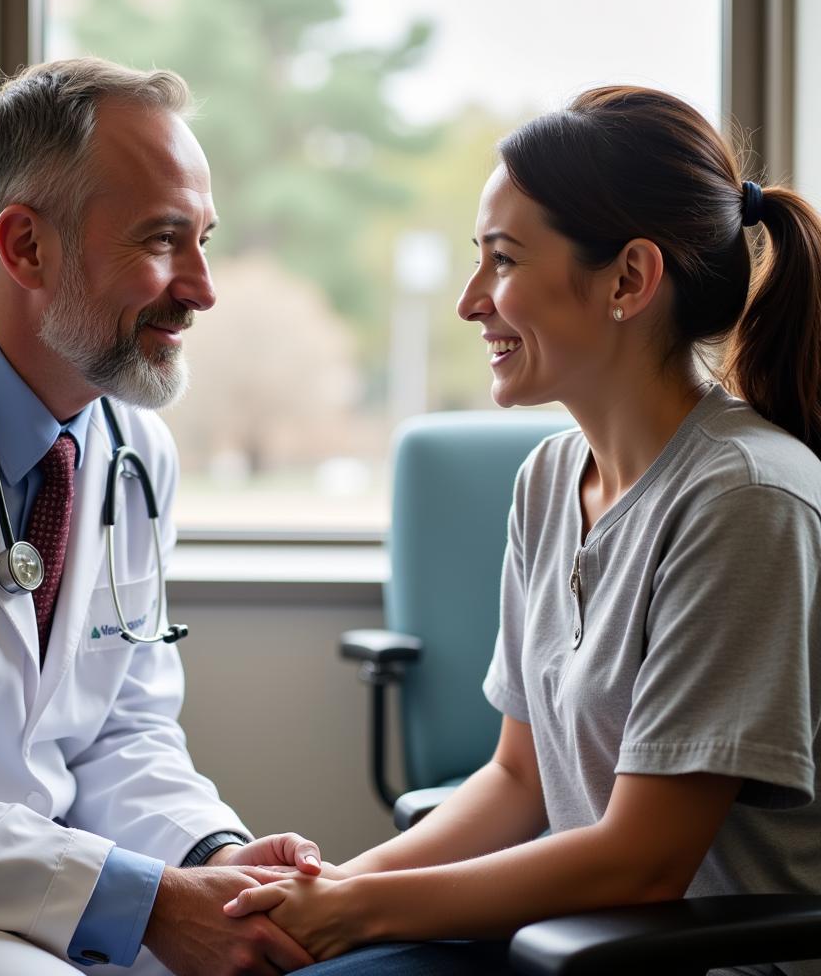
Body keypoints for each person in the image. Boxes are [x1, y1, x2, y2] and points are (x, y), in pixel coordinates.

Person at [225, 86, 821, 976]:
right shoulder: (549, 477)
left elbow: (643, 860)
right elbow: (517, 781)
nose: (471, 301)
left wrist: (355, 911)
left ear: (629, 279)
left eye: (502, 261)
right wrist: (323, 896)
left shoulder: (746, 500)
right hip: (566, 946)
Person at [0, 58, 325, 976]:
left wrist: (209, 860)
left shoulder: (130, 444)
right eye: (164, 241)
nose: (201, 288)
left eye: (204, 239)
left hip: (74, 877)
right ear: (25, 247)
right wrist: (145, 900)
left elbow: (123, 730)